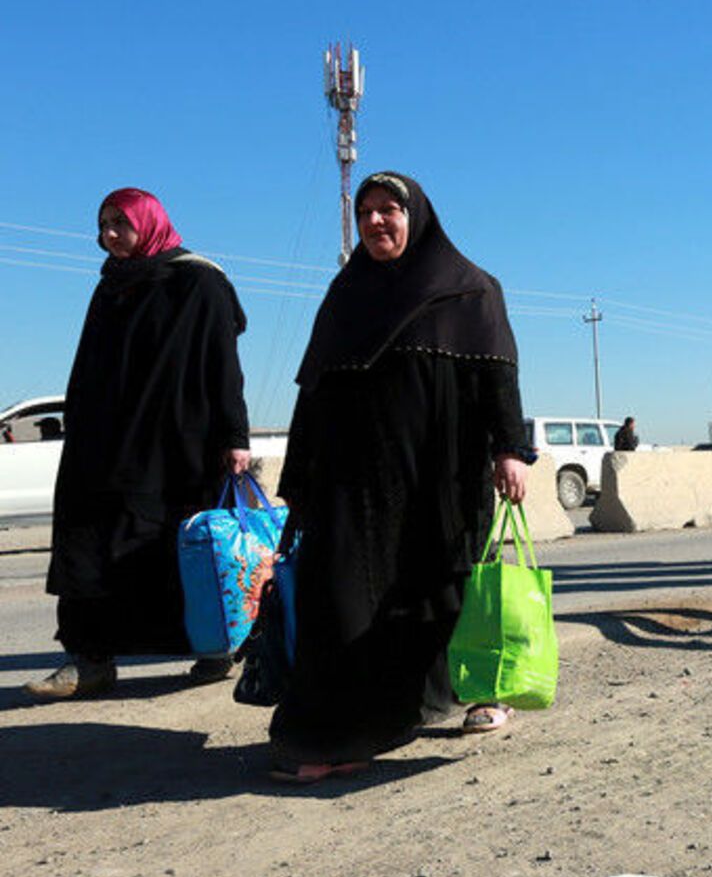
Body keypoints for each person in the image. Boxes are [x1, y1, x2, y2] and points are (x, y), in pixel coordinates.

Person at [269, 171, 532, 783]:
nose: (376, 221)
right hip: (351, 479)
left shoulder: (471, 291)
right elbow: (314, 390)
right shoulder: (346, 293)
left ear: (417, 217)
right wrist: (299, 477)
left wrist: (510, 450)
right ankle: (344, 731)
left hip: (440, 474)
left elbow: (499, 378)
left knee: (443, 588)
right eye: (366, 212)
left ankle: (476, 692)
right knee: (339, 596)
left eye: (390, 209)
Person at [27, 188, 251, 700]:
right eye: (102, 224)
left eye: (118, 224)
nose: (107, 236)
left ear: (147, 223)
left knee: (184, 548)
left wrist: (234, 436)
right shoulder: (111, 286)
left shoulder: (198, 280)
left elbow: (223, 365)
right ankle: (88, 659)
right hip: (104, 444)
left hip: (177, 447)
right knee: (86, 545)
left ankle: (216, 647)